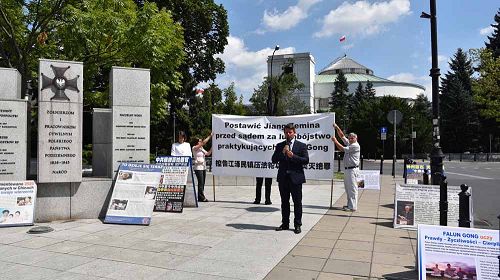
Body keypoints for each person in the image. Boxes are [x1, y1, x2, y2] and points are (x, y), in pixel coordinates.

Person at [272, 123, 309, 234]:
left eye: (290, 132)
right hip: (283, 178)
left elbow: (306, 160)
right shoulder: (280, 145)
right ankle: (285, 224)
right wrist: (283, 152)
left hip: (296, 178)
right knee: (284, 202)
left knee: (297, 202)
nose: (288, 134)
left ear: (294, 133)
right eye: (286, 132)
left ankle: (297, 224)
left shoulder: (301, 145)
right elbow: (273, 159)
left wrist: (293, 156)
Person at [332, 123, 360, 212]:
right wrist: (337, 128)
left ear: (356, 138)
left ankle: (353, 207)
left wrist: (335, 141)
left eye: (353, 138)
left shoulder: (355, 145)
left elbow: (342, 149)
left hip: (352, 169)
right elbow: (342, 136)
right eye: (350, 138)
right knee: (348, 188)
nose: (351, 139)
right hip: (348, 169)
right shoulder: (350, 143)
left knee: (352, 188)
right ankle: (349, 205)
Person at [192, 133, 212, 202]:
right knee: (200, 182)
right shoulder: (194, 148)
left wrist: (213, 147)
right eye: (200, 141)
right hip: (198, 168)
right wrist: (210, 136)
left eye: (201, 141)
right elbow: (204, 142)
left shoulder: (201, 148)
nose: (201, 142)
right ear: (197, 142)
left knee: (203, 182)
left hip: (203, 167)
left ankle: (200, 196)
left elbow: (208, 154)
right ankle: (201, 197)